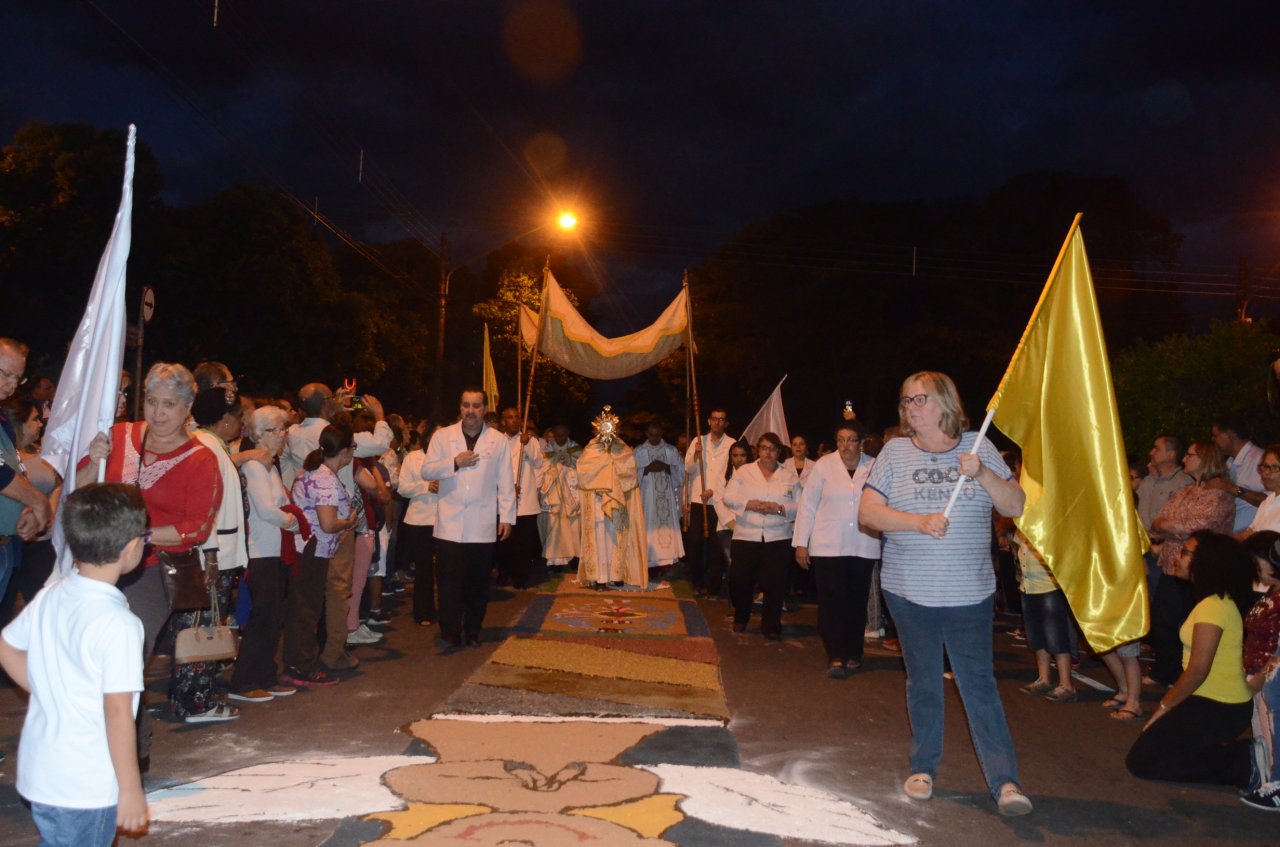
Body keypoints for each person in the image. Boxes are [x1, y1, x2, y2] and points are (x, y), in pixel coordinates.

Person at [859, 371, 1032, 816]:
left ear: (946, 403)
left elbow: (1014, 507)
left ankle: (1005, 782)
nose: (911, 407)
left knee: (979, 686)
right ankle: (923, 767)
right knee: (924, 683)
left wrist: (983, 476)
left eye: (921, 399)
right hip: (909, 592)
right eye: (906, 400)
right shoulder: (894, 452)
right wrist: (918, 522)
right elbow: (868, 514)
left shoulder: (978, 446)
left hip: (968, 593)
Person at [0, 483, 150, 846]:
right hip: (85, 784)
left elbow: (6, 646)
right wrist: (130, 789)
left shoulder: (54, 592)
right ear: (130, 548)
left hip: (42, 773)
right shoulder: (120, 623)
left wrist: (51, 689)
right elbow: (117, 711)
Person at [79, 363, 224, 735]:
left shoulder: (200, 458)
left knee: (126, 661)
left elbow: (196, 527)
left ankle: (129, 753)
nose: (159, 413)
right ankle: (95, 746)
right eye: (152, 402)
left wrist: (138, 536)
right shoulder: (117, 435)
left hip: (150, 572)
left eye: (170, 405)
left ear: (188, 407)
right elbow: (75, 490)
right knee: (88, 659)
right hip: (93, 567)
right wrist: (93, 460)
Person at [1126, 531, 1255, 788]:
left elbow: (1198, 670)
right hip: (1207, 700)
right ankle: (1238, 758)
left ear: (1206, 561)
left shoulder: (1214, 606)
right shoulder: (1209, 601)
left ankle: (1247, 763)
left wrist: (1163, 708)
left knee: (1143, 761)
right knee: (1147, 757)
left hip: (1222, 705)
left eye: (1185, 553)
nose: (1177, 557)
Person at [421, 388, 515, 651]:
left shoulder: (498, 440)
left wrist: (507, 516)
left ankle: (473, 629)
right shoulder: (443, 436)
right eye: (466, 405)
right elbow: (426, 470)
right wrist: (454, 462)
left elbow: (505, 481)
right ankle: (450, 631)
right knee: (449, 582)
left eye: (476, 406)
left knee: (477, 583)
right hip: (449, 524)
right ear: (460, 408)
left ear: (484, 409)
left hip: (482, 523)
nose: (471, 411)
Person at [793, 420, 879, 675]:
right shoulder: (824, 466)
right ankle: (835, 654)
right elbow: (808, 505)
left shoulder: (873, 466)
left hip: (863, 544)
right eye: (841, 440)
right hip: (828, 545)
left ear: (861, 443)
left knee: (856, 600)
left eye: (851, 440)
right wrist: (801, 544)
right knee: (832, 601)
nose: (845, 445)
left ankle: (854, 651)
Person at [1147, 440, 1236, 686]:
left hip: (1201, 571)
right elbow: (1158, 520)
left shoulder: (1218, 495)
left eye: (1190, 455)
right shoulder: (1187, 490)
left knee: (1191, 625)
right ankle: (1168, 671)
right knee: (1162, 621)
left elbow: (1191, 528)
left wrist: (1170, 527)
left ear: (1205, 459)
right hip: (1171, 566)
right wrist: (1170, 527)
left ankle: (1186, 675)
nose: (1185, 458)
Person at [228, 405, 299, 702]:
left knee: (272, 618)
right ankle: (244, 682)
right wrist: (291, 521)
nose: (283, 435)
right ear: (261, 434)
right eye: (277, 430)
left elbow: (282, 500)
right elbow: (268, 510)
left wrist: (289, 519)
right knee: (262, 618)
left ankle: (266, 675)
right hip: (261, 552)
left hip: (273, 550)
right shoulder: (256, 466)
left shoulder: (270, 465)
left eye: (283, 429)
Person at [283, 423, 357, 687]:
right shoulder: (324, 477)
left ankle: (298, 662)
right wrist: (348, 522)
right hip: (312, 549)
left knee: (303, 608)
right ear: (346, 451)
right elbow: (327, 523)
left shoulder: (312, 470)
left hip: (308, 548)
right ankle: (301, 666)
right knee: (306, 610)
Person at [722, 432, 800, 641]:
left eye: (772, 448)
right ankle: (742, 615)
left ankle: (771, 625)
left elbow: (800, 506)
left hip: (778, 537)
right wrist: (748, 504)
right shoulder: (744, 472)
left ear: (779, 451)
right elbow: (727, 497)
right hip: (747, 535)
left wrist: (780, 508)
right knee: (740, 580)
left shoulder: (789, 475)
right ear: (757, 450)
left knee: (775, 584)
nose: (768, 453)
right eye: (764, 448)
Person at [1, 338, 53, 601]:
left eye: (17, 378)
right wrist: (37, 500)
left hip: (10, 546)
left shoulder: (1, 419)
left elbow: (13, 469)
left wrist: (28, 510)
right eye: (5, 374)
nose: (10, 384)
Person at [576, 408, 648, 589]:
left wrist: (612, 468)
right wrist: (602, 475)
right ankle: (600, 577)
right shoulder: (591, 449)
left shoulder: (622, 448)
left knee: (615, 539)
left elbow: (630, 473)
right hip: (597, 502)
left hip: (617, 504)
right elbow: (583, 472)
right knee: (599, 539)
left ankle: (617, 574)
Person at [1012, 531, 1077, 702]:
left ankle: (1066, 684)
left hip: (1049, 585)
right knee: (1036, 636)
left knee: (1057, 636)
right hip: (1028, 585)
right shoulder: (1023, 525)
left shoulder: (1046, 523)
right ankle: (1044, 679)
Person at [1241, 534, 1280, 810]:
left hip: (1269, 674)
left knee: (1273, 732)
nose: (1256, 570)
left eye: (1258, 563)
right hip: (1258, 670)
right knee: (1262, 735)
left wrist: (1263, 674)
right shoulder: (1271, 592)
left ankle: (1274, 784)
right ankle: (1267, 781)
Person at [685, 408, 735, 596]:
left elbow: (730, 473)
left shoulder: (732, 444)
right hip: (699, 499)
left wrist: (714, 489)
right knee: (696, 542)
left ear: (726, 423)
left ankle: (714, 585)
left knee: (716, 544)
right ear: (708, 421)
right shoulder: (698, 441)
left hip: (719, 501)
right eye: (714, 419)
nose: (717, 423)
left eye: (721, 420)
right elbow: (688, 468)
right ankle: (697, 582)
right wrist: (696, 454)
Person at [397, 427, 440, 626]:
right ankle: (424, 612)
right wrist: (426, 486)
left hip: (445, 520)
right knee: (424, 569)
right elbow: (403, 488)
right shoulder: (412, 458)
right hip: (419, 521)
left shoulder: (451, 459)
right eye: (434, 434)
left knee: (447, 568)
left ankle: (449, 610)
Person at [498, 407, 544, 589]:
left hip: (525, 502)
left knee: (523, 543)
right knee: (503, 542)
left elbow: (539, 462)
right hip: (503, 500)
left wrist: (528, 446)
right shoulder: (497, 441)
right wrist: (507, 488)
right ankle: (503, 574)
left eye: (517, 417)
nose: (514, 420)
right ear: (503, 421)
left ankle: (521, 578)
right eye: (510, 417)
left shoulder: (530, 441)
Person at [633, 420, 685, 575]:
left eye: (657, 435)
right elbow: (630, 476)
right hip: (647, 499)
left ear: (661, 433)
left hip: (667, 498)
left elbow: (681, 475)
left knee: (666, 528)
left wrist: (668, 467)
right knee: (648, 528)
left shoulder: (671, 451)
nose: (655, 438)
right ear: (646, 434)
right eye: (651, 435)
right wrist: (646, 469)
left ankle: (666, 564)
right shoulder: (638, 452)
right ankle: (649, 564)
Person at [1210, 417, 1266, 534]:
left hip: (1253, 539)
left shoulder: (1259, 459)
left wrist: (1231, 488)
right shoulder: (1229, 463)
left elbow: (1271, 501)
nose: (1213, 439)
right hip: (1231, 537)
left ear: (1230, 434)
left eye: (1216, 435)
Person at [1237, 444, 1280, 540]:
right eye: (1264, 467)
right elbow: (1248, 534)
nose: (1265, 473)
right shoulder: (1268, 501)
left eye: (1271, 468)